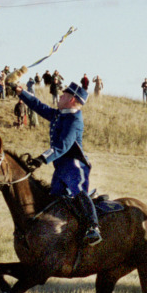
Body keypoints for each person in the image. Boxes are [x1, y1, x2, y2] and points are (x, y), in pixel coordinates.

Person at [16, 81, 102, 245]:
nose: (60, 96)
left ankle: (93, 228)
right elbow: (38, 106)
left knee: (79, 193)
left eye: (64, 94)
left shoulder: (74, 120)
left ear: (71, 99)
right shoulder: (60, 114)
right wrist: (21, 92)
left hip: (75, 166)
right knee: (55, 200)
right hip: (61, 167)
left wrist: (42, 159)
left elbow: (63, 145)